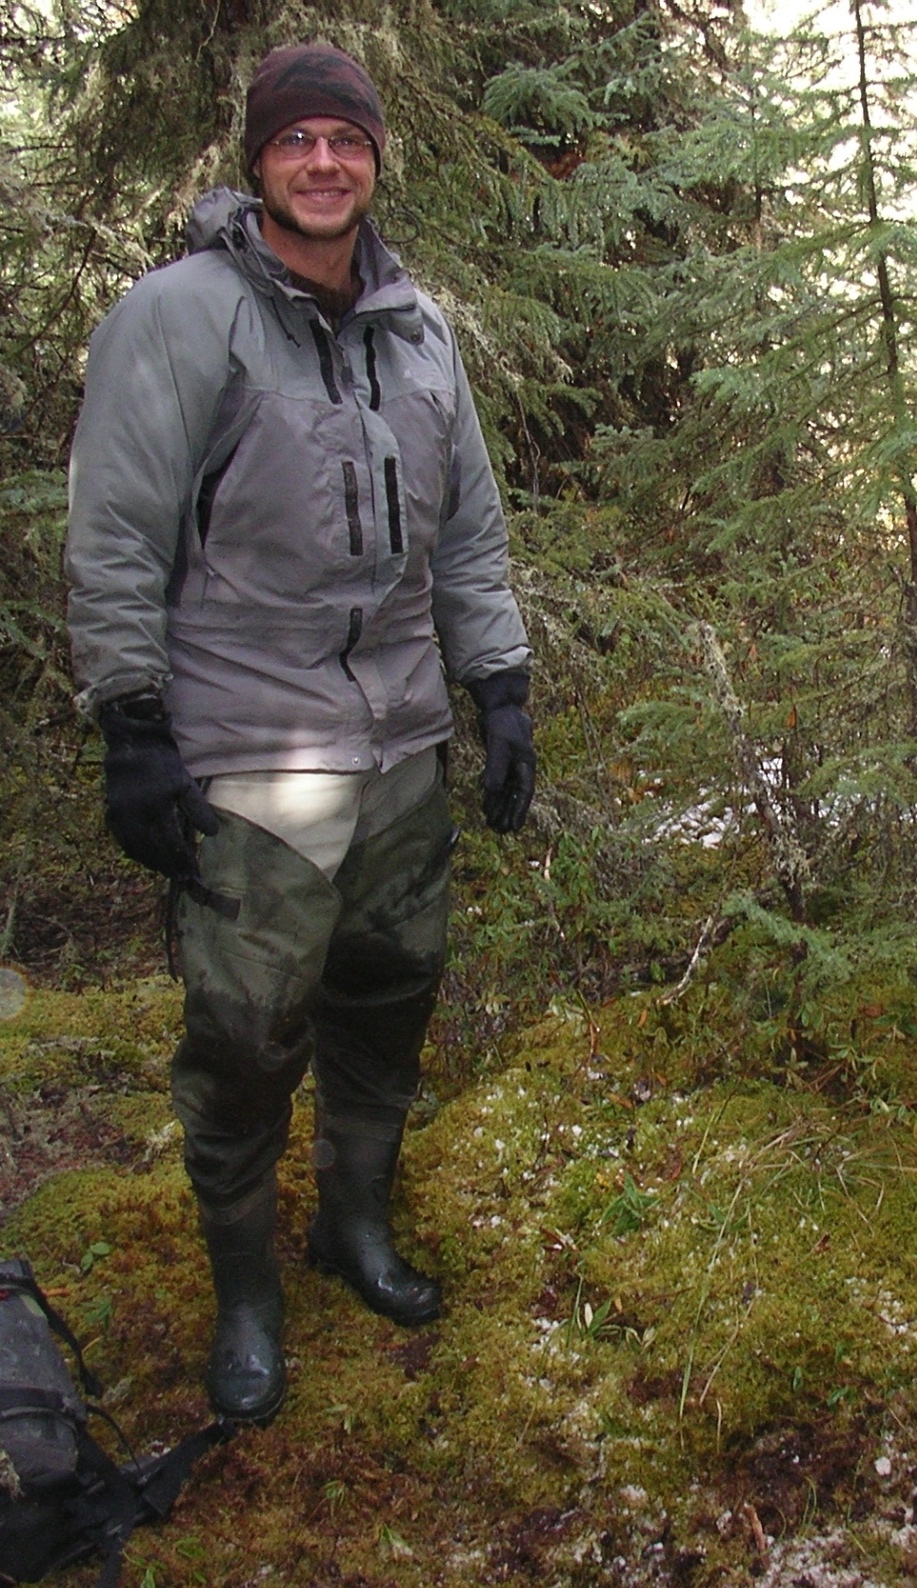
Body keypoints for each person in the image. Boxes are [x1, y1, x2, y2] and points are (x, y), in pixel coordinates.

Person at [63, 44, 536, 1426]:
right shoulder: (178, 318)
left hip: (399, 752)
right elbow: (115, 535)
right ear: (259, 159)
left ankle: (352, 1228)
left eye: (347, 138)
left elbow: (470, 531)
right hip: (251, 759)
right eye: (297, 140)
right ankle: (248, 1295)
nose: (324, 161)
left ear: (377, 158)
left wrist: (496, 688)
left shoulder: (419, 330)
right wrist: (132, 723)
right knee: (246, 1033)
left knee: (389, 996)